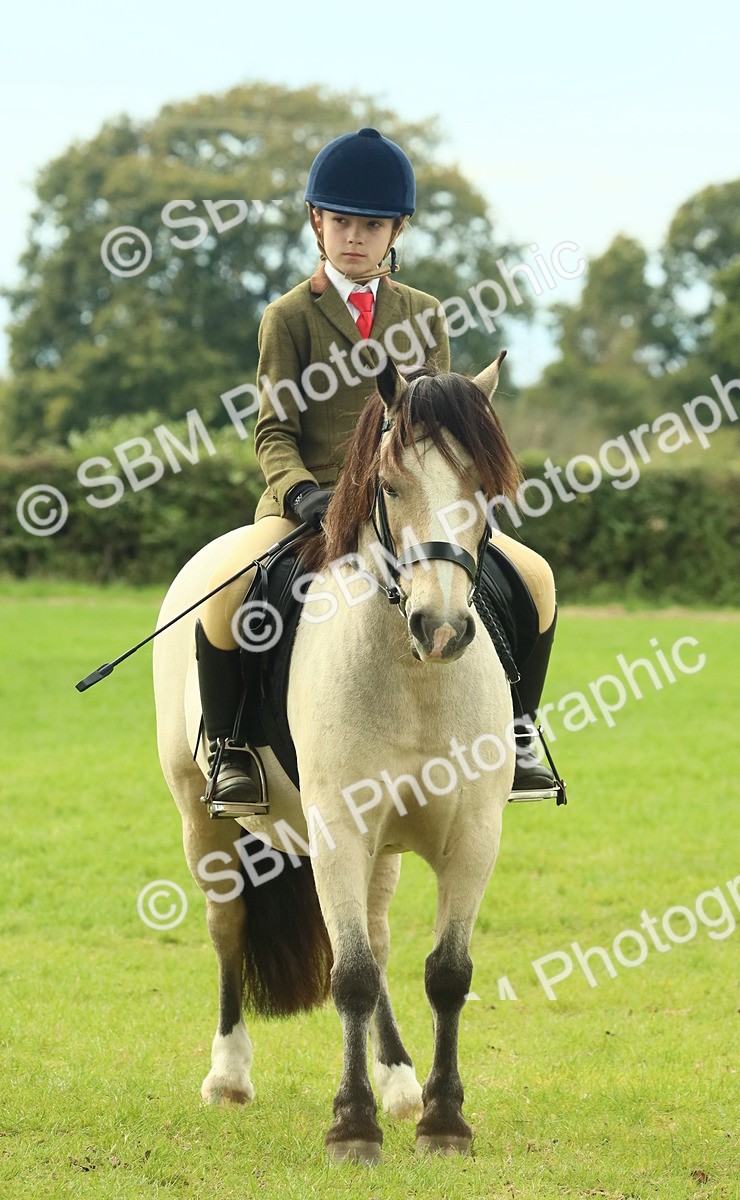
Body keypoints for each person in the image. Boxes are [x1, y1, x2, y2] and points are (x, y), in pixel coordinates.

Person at [195, 127, 558, 816]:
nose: (354, 238)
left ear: (397, 231)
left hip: (409, 506)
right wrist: (302, 493)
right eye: (341, 222)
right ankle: (231, 748)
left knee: (534, 578)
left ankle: (518, 733)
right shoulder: (288, 317)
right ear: (317, 222)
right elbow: (273, 430)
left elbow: (440, 423)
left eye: (371, 225)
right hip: (307, 505)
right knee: (227, 589)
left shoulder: (423, 313)